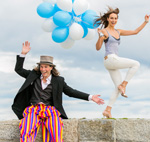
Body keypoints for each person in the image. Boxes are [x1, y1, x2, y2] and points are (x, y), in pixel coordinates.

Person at [12, 41, 104, 142]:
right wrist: (23, 54)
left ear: (51, 67)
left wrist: (91, 97)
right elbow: (19, 69)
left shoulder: (58, 81)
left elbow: (71, 92)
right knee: (27, 129)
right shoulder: (33, 75)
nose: (43, 69)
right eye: (41, 66)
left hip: (50, 110)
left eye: (46, 67)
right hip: (33, 109)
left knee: (56, 132)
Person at [95, 7, 149, 118]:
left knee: (117, 88)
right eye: (111, 18)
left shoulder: (118, 31)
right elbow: (97, 48)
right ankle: (124, 85)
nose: (114, 20)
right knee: (136, 64)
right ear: (108, 19)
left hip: (112, 62)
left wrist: (145, 22)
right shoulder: (104, 31)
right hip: (110, 59)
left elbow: (135, 32)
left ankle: (107, 110)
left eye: (115, 18)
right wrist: (100, 37)